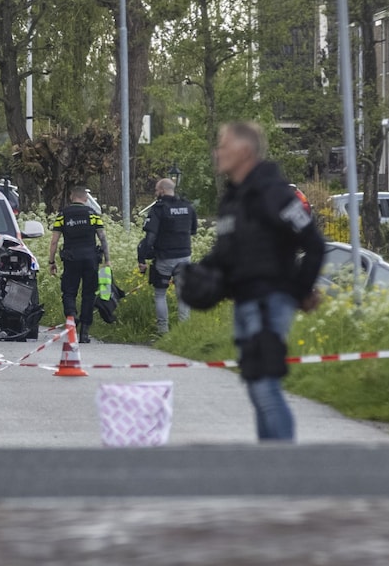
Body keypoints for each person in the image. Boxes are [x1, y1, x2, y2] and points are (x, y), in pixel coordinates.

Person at [199, 121, 326, 442]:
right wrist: (201, 277)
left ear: (244, 151)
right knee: (257, 387)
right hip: (244, 302)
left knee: (266, 387)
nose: (218, 153)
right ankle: (268, 465)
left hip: (271, 302)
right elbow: (226, 253)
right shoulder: (233, 200)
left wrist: (298, 291)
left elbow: (314, 244)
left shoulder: (275, 195)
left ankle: (281, 468)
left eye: (223, 146)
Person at [48, 187, 109, 343]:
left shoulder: (63, 215)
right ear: (86, 198)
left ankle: (71, 316)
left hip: (71, 258)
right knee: (89, 294)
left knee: (69, 292)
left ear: (71, 197)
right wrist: (107, 260)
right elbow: (102, 238)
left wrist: (51, 261)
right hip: (91, 259)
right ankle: (84, 332)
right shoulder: (93, 214)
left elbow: (54, 241)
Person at [137, 178, 198, 335]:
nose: (156, 193)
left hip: (165, 257)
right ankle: (184, 331)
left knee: (160, 294)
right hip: (184, 256)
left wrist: (142, 259)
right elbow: (193, 230)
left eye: (157, 190)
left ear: (162, 191)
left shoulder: (159, 209)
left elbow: (150, 237)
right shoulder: (187, 206)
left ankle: (163, 330)